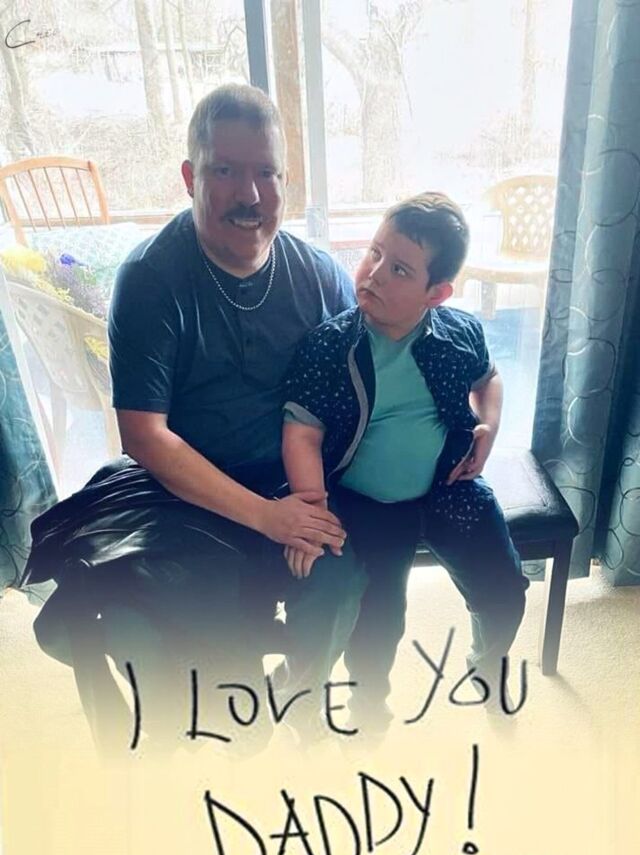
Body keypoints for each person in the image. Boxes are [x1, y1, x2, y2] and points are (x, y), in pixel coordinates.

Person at [24, 83, 363, 755]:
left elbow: (358, 397)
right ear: (189, 176)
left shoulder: (321, 276)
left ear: (285, 179)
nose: (250, 194)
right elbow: (144, 436)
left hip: (290, 481)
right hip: (178, 492)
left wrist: (310, 504)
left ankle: (291, 697)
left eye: (266, 172)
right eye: (225, 170)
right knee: (156, 633)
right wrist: (267, 519)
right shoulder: (150, 277)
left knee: (343, 578)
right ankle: (196, 721)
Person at [280, 191, 529, 737]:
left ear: (436, 293)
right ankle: (369, 710)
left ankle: (487, 665)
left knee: (505, 588)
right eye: (374, 253)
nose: (374, 273)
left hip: (448, 486)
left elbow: (489, 377)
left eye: (399, 269)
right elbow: (301, 433)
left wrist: (488, 427)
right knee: (379, 620)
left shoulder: (459, 333)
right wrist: (312, 511)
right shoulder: (330, 347)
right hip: (368, 505)